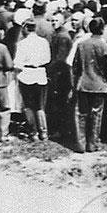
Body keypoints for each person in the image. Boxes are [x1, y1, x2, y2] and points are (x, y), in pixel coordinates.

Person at [71, 18, 107, 153]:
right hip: (99, 85)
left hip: (83, 83)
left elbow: (75, 66)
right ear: (102, 29)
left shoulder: (81, 44)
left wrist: (74, 84)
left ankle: (81, 143)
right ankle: (93, 143)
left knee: (81, 114)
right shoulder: (105, 46)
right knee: (96, 114)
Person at [13, 18, 51, 141]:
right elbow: (47, 59)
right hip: (40, 74)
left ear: (25, 28)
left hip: (27, 74)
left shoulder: (22, 44)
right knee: (40, 106)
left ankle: (33, 132)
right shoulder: (43, 42)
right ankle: (43, 132)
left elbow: (17, 62)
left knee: (28, 105)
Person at [47, 12, 72, 140]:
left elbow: (60, 58)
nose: (53, 23)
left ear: (62, 22)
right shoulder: (57, 34)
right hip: (57, 71)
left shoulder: (62, 37)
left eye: (56, 20)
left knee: (59, 102)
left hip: (60, 73)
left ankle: (60, 130)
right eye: (52, 20)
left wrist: (50, 69)